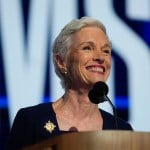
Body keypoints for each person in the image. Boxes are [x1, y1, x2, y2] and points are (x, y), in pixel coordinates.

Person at [7, 17, 132, 149]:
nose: (100, 58)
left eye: (106, 51)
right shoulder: (31, 120)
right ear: (62, 62)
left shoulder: (121, 130)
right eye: (87, 48)